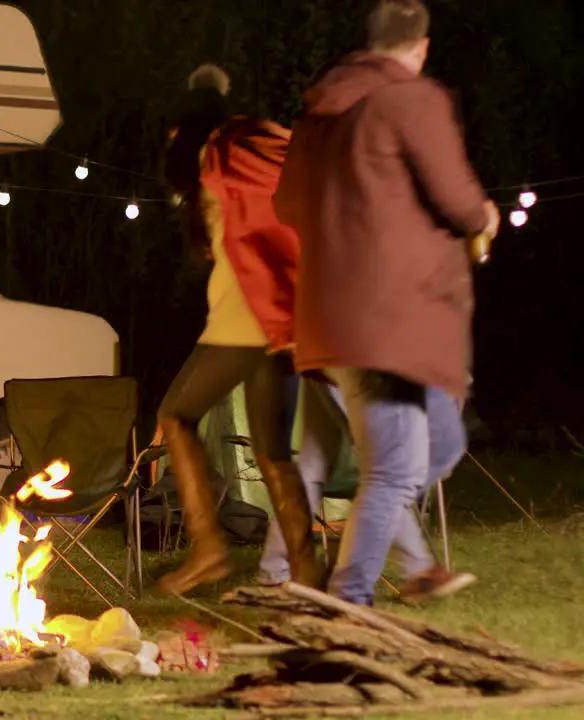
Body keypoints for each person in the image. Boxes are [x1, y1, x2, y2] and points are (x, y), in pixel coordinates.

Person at [274, 0, 500, 606]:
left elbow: (286, 207)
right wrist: (486, 216)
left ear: (368, 45)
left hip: (332, 320)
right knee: (395, 471)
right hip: (391, 322)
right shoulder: (412, 100)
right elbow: (458, 202)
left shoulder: (318, 115)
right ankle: (348, 604)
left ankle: (380, 554)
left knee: (442, 444)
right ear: (422, 46)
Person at [152, 64, 321, 596]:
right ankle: (308, 573)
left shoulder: (211, 157)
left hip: (245, 311)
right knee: (273, 451)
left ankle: (208, 548)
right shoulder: (260, 146)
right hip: (288, 312)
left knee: (175, 416)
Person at [258, 378, 477, 602]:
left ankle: (275, 570)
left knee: (315, 465)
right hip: (357, 359)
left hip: (323, 358)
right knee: (387, 473)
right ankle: (417, 572)